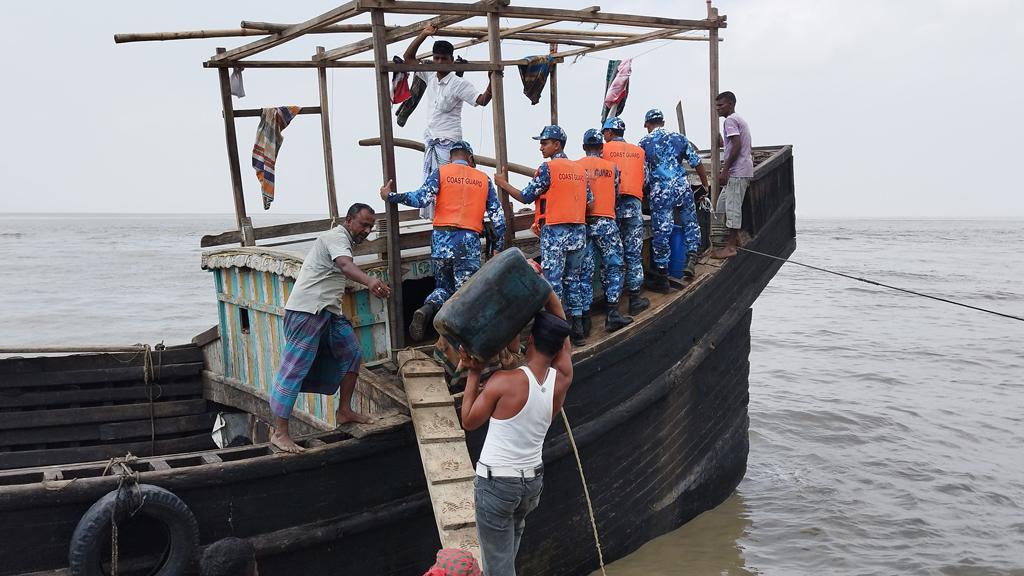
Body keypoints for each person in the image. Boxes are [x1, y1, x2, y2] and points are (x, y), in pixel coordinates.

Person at [459, 290, 573, 576]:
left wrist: (475, 371)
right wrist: (546, 292)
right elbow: (562, 331)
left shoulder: (503, 382)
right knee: (504, 557)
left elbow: (469, 421)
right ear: (559, 349)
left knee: (499, 566)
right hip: (531, 484)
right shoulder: (561, 381)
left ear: (530, 340)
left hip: (497, 484)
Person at [269, 203, 392, 453]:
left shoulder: (342, 240)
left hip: (328, 312)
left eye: (370, 226)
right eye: (363, 224)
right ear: (349, 220)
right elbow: (346, 266)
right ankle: (280, 433)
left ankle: (344, 411)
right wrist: (370, 281)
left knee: (352, 355)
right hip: (306, 312)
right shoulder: (336, 237)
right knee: (294, 370)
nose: (367, 230)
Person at [380, 140, 506, 340]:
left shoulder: (441, 173)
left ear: (450, 157)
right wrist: (496, 247)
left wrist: (390, 196)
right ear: (470, 158)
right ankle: (458, 340)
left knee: (443, 288)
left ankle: (427, 309)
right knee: (465, 293)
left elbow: (420, 199)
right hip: (467, 243)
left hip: (441, 242)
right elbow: (499, 218)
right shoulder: (483, 179)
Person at [494, 125, 592, 345]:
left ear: (556, 145)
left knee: (553, 283)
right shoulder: (579, 170)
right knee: (573, 280)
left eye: (544, 143)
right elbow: (589, 200)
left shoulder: (548, 168)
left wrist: (502, 183)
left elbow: (526, 196)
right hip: (578, 232)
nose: (541, 147)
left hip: (556, 232)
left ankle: (556, 335)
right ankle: (577, 331)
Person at [404, 24, 494, 220]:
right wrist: (423, 35)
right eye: (436, 58)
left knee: (450, 186)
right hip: (432, 142)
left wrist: (492, 82)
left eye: (444, 59)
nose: (439, 62)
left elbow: (482, 100)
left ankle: (455, 219)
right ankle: (439, 221)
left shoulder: (459, 84)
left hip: (450, 144)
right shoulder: (430, 74)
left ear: (452, 60)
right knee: (433, 189)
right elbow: (408, 59)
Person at [639, 108, 710, 282]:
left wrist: (644, 192)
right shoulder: (679, 138)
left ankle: (663, 273)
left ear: (647, 124)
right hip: (681, 188)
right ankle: (691, 260)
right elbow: (696, 162)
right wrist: (705, 184)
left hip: (660, 192)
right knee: (691, 223)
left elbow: (643, 174)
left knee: (662, 230)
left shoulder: (643, 143)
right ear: (663, 122)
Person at [576, 128, 633, 334]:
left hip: (582, 223)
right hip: (606, 222)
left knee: (584, 269)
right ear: (601, 147)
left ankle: (583, 319)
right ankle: (612, 314)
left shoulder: (576, 167)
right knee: (614, 266)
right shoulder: (612, 168)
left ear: (584, 147)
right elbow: (616, 195)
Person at [601, 117, 650, 314]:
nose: (603, 137)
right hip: (634, 206)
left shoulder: (603, 152)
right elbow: (646, 179)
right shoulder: (639, 152)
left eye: (604, 133)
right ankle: (635, 300)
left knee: (612, 255)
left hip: (610, 208)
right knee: (633, 253)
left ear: (610, 133)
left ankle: (611, 301)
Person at [713, 91, 754, 258]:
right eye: (716, 106)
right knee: (721, 206)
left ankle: (730, 247)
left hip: (737, 171)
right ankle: (735, 237)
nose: (717, 109)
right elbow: (734, 143)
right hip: (740, 169)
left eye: (721, 105)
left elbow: (737, 145)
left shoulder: (730, 120)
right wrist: (722, 143)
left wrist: (725, 170)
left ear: (730, 104)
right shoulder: (736, 120)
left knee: (732, 208)